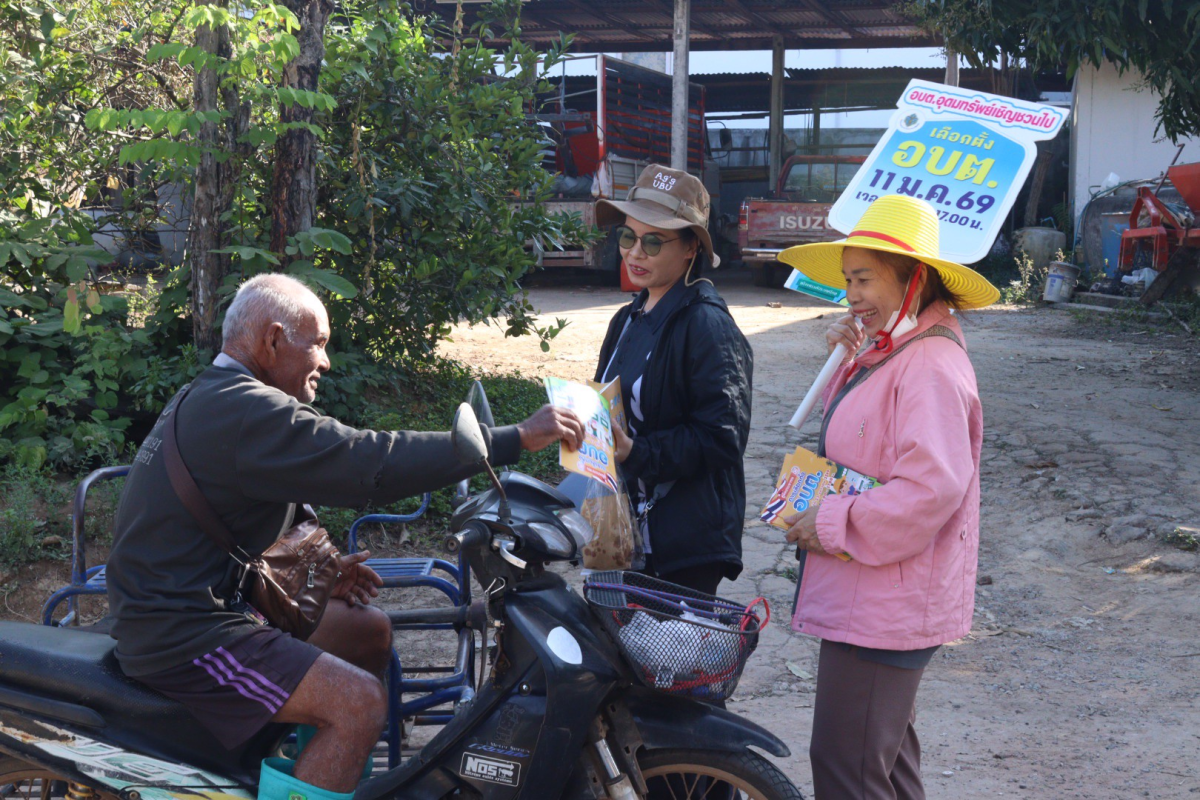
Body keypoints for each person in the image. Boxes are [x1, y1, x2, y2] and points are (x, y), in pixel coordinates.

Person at [107, 274, 584, 800]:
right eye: (318, 343)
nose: (326, 361)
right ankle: (320, 765)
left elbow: (237, 513)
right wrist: (512, 438)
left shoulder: (218, 397)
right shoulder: (246, 411)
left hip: (210, 606)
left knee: (367, 632)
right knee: (356, 703)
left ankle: (318, 775)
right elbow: (365, 461)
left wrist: (322, 570)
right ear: (271, 340)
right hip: (184, 635)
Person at [777, 194, 1000, 799]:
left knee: (848, 768)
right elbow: (860, 444)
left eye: (866, 279)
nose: (852, 294)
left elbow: (931, 489)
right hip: (870, 594)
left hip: (883, 602)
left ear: (915, 280)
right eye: (848, 279)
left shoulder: (929, 365)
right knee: (884, 766)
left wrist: (831, 520)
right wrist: (851, 357)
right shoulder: (897, 350)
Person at [592, 164, 753, 596]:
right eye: (627, 236)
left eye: (653, 240)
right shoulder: (627, 319)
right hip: (625, 535)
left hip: (686, 545)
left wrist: (636, 451)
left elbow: (722, 439)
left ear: (690, 249)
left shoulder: (708, 325)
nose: (635, 253)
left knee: (669, 662)